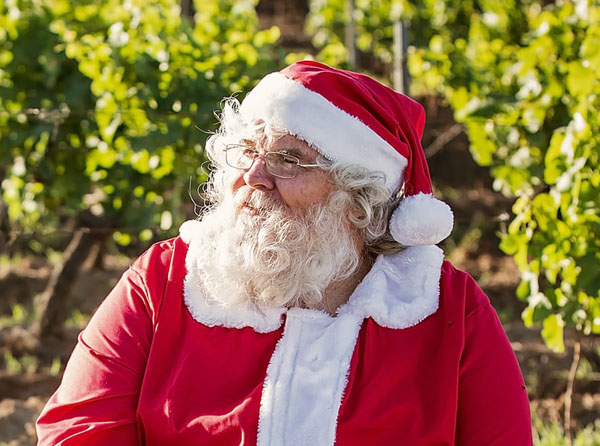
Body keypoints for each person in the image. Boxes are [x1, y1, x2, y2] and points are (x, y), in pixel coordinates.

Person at [36, 60, 533, 445]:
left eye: (288, 160)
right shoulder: (163, 283)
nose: (253, 176)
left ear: (358, 199)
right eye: (248, 150)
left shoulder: (446, 309)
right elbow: (77, 431)